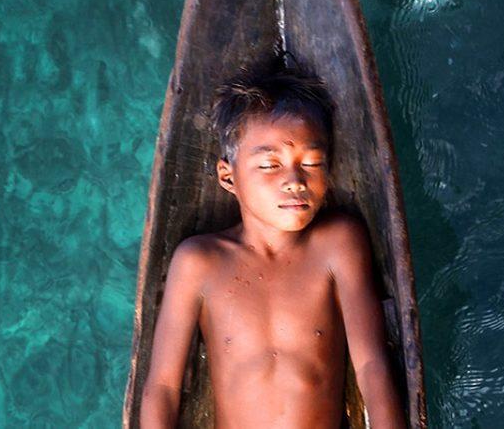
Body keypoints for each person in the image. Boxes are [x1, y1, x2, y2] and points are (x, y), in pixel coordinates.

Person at [139, 57, 405, 428]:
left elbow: (372, 367)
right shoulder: (199, 262)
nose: (295, 180)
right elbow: (163, 387)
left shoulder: (337, 243)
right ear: (228, 176)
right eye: (269, 165)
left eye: (312, 163)